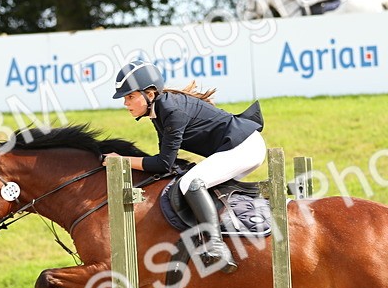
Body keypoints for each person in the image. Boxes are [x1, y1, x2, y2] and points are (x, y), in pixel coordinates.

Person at [104, 60, 267, 273]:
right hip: (239, 146)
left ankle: (217, 246)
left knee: (191, 183)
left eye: (130, 96)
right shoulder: (159, 112)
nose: (126, 103)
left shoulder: (171, 110)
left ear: (150, 94)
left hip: (244, 147)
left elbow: (163, 163)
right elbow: (165, 161)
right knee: (195, 181)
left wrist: (121, 160)